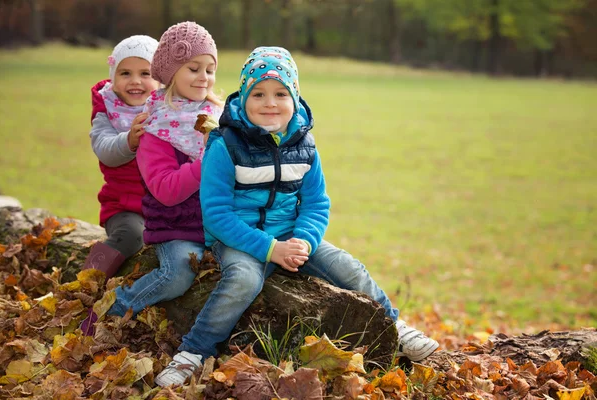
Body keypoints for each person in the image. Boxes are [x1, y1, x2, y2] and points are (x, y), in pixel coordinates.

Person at [154, 46, 439, 387]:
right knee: (243, 281)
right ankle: (192, 353)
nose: (269, 102)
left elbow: (316, 203)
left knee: (348, 266)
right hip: (241, 239)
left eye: (280, 94)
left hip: (293, 235)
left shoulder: (304, 145)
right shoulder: (224, 145)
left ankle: (396, 325)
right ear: (243, 97)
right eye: (258, 93)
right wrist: (271, 250)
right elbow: (216, 214)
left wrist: (303, 240)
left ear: (295, 98)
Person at [104, 21, 223, 345]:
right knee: (178, 275)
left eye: (210, 70)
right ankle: (117, 307)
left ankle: (207, 343)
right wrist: (206, 164)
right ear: (170, 73)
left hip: (219, 223)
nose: (204, 77)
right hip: (177, 226)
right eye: (193, 68)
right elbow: (166, 190)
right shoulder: (156, 128)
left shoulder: (221, 117)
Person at [81, 35, 159, 335]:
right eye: (125, 73)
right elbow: (104, 150)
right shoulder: (107, 110)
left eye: (145, 73)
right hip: (125, 205)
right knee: (131, 236)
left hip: (165, 202)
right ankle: (87, 279)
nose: (135, 81)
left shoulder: (168, 108)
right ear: (113, 78)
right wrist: (129, 140)